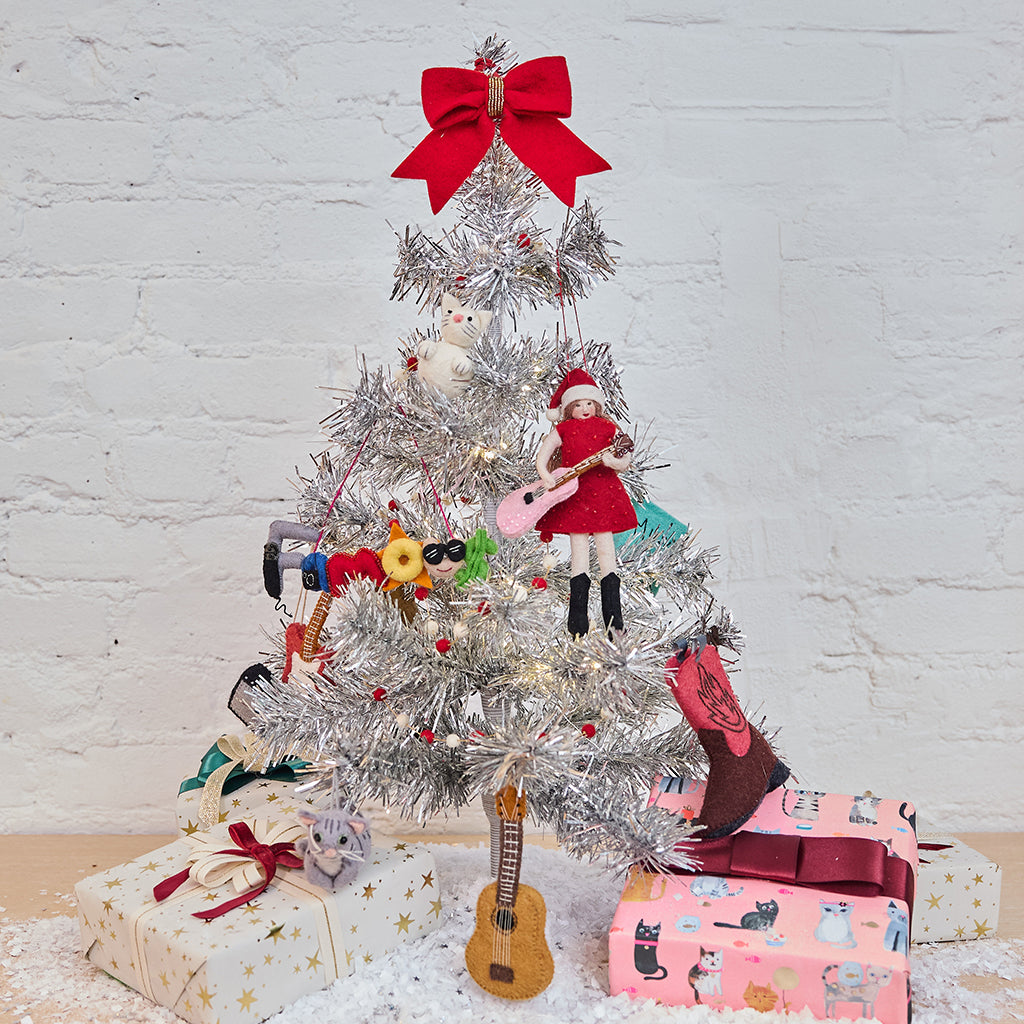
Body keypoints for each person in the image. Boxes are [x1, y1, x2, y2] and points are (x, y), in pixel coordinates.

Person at [535, 368, 637, 637]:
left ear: (597, 405)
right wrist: (546, 475)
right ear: (569, 408)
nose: (584, 409)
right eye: (578, 404)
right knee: (578, 555)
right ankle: (577, 620)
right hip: (574, 495)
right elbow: (543, 456)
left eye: (589, 403)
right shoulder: (563, 429)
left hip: (604, 494)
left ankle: (614, 620)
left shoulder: (609, 427)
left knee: (607, 554)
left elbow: (625, 456)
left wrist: (613, 462)